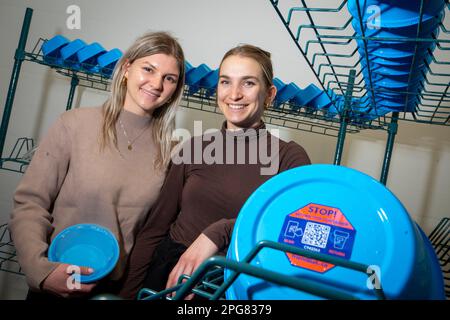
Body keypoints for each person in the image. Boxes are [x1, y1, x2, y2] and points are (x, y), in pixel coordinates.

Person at [118, 44, 311, 299]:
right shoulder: (195, 147)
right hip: (169, 276)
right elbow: (155, 229)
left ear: (269, 94)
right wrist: (129, 294)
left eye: (248, 83)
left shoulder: (289, 158)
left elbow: (291, 231)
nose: (234, 94)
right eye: (225, 82)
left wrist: (221, 231)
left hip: (235, 281)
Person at [8, 31, 186, 299]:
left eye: (169, 78)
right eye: (148, 69)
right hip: (57, 281)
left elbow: (152, 233)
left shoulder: (170, 152)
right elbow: (30, 204)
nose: (156, 84)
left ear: (175, 89)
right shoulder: (74, 124)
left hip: (114, 291)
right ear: (127, 68)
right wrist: (41, 271)